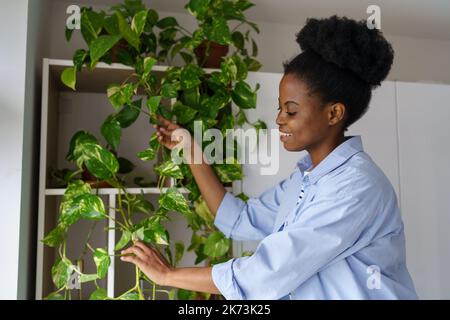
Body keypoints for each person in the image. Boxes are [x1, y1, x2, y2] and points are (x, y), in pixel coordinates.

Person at [120, 15, 417, 299]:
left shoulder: (354, 187)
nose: (279, 119)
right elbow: (236, 220)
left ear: (334, 113)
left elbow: (266, 275)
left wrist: (168, 275)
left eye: (291, 110)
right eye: (279, 108)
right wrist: (190, 148)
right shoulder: (304, 180)